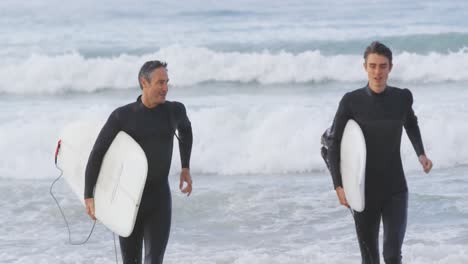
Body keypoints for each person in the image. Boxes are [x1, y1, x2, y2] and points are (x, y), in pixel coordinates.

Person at [326, 41, 433, 264]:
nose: (377, 72)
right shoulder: (351, 101)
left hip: (396, 190)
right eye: (373, 66)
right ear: (365, 67)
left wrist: (421, 154)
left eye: (383, 66)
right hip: (363, 191)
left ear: (390, 68)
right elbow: (335, 143)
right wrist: (339, 186)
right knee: (370, 259)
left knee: (392, 256)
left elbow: (411, 123)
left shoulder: (402, 98)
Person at [84, 60, 193, 264]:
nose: (165, 88)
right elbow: (98, 152)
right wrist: (89, 194)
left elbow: (186, 130)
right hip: (127, 200)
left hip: (159, 199)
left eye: (167, 82)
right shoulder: (122, 116)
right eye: (160, 83)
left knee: (154, 260)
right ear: (144, 82)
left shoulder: (174, 111)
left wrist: (185, 166)